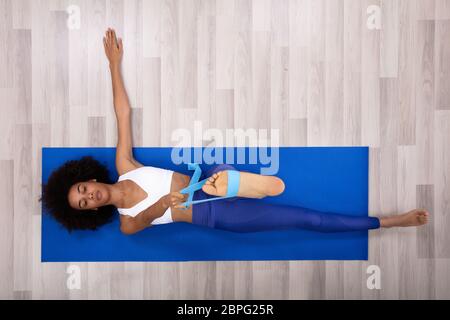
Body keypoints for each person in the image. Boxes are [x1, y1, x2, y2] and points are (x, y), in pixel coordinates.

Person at [40, 28, 429, 235]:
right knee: (307, 220)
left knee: (215, 174)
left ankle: (240, 181)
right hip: (214, 217)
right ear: (90, 213)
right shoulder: (126, 223)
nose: (89, 197)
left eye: (82, 191)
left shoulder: (125, 164)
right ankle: (393, 222)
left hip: (207, 182)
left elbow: (122, 112)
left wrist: (113, 64)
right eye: (85, 204)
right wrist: (163, 205)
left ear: (87, 179)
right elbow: (153, 213)